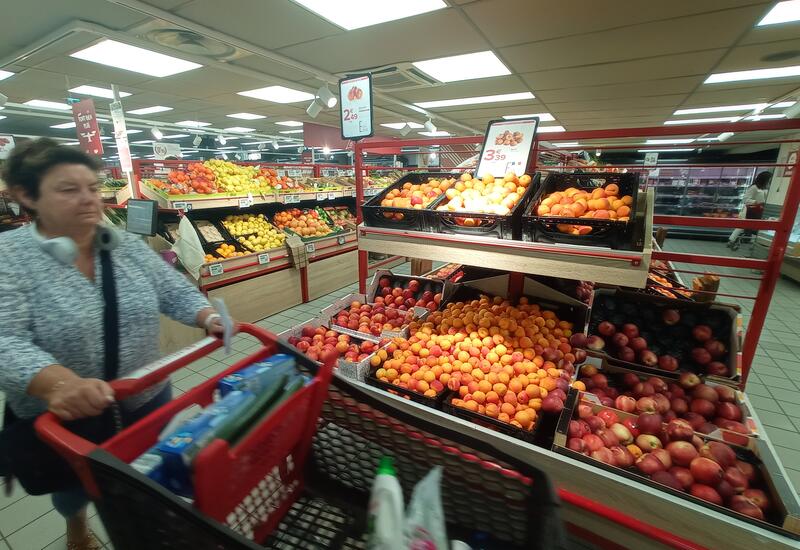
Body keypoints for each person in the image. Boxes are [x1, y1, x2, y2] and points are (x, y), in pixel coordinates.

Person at [0, 139, 224, 550]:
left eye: (92, 187)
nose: (89, 199)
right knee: (74, 488)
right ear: (27, 196)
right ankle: (76, 527)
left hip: (145, 396)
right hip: (68, 416)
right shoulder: (8, 258)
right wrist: (57, 383)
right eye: (69, 189)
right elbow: (4, 338)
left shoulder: (122, 246)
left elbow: (172, 289)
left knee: (152, 478)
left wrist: (207, 316)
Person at [727, 170, 771, 249]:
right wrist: (756, 202)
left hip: (759, 211)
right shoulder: (754, 187)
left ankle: (753, 243)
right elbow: (745, 199)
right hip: (749, 211)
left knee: (755, 226)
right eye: (769, 179)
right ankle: (731, 240)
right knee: (741, 226)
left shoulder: (766, 188)